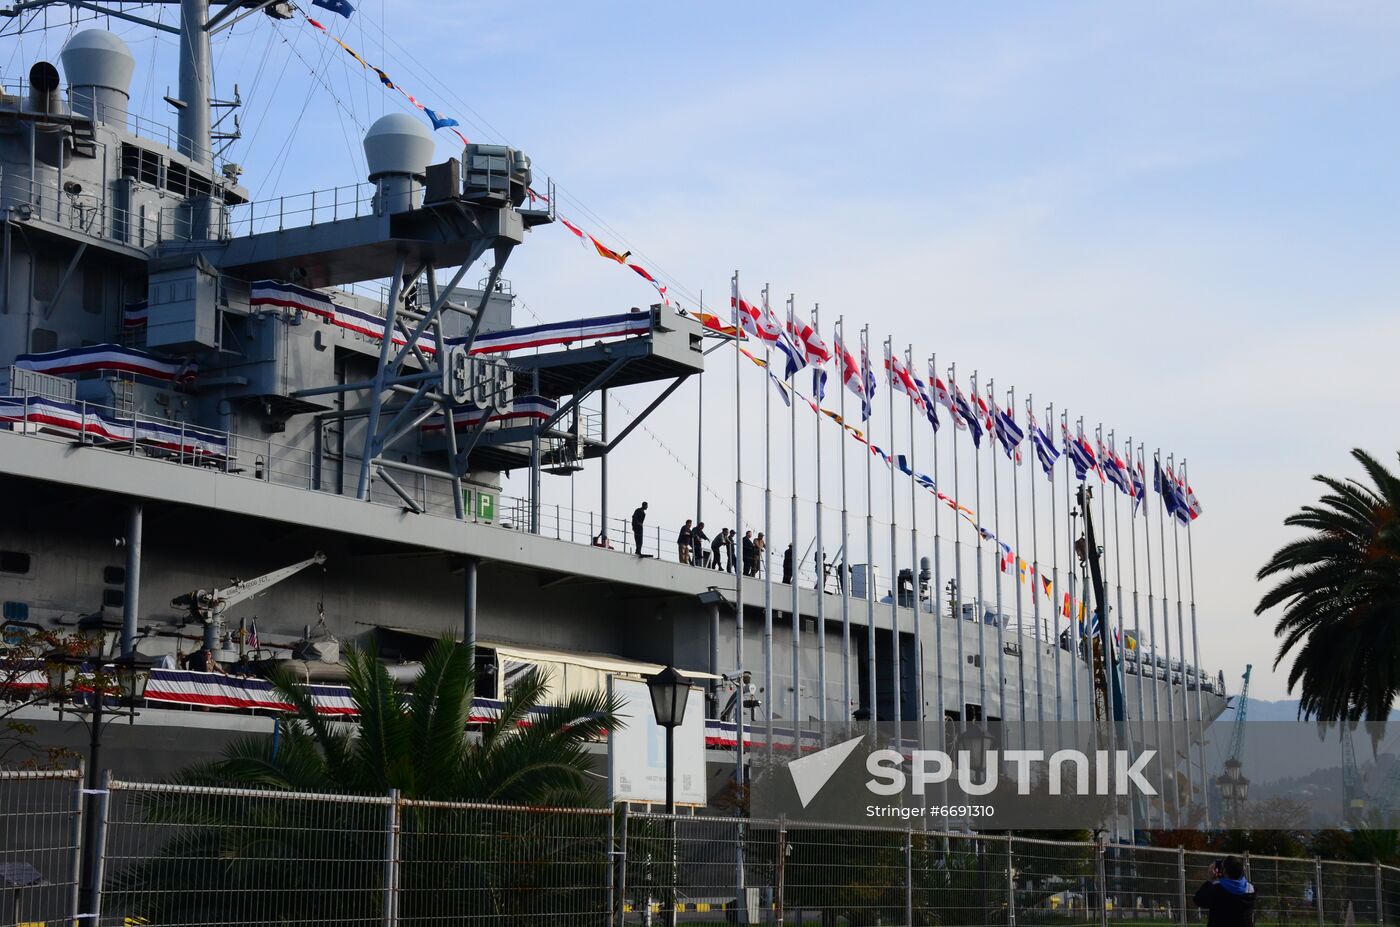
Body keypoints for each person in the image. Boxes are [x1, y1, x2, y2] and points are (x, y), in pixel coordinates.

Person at [1192, 857, 1255, 927]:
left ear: (1224, 871)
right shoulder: (1251, 889)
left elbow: (1198, 900)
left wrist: (1210, 880)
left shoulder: (1217, 890)